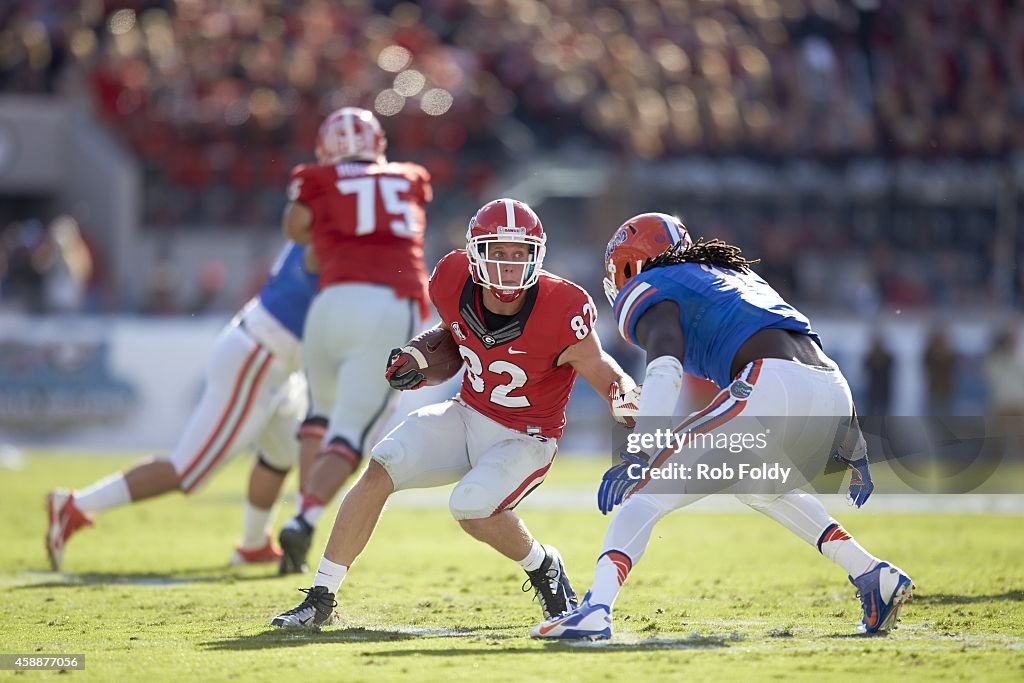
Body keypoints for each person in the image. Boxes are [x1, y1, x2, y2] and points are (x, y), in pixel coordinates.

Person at [532, 212, 914, 640]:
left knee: (643, 493)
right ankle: (871, 575)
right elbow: (807, 352)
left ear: (630, 264)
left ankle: (596, 609)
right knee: (760, 486)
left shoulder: (656, 284)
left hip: (772, 383)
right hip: (831, 390)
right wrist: (853, 441)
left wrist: (642, 450)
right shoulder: (731, 274)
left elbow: (665, 364)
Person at [269, 198, 638, 628]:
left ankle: (543, 566)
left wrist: (624, 393)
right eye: (498, 252)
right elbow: (454, 337)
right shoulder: (451, 278)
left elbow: (598, 365)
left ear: (537, 255)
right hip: (466, 413)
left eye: (519, 254)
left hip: (526, 437)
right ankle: (320, 598)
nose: (509, 265)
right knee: (382, 465)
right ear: (475, 254)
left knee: (471, 506)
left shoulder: (563, 306)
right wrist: (420, 358)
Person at [45, 242, 318, 571]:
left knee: (283, 453)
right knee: (188, 471)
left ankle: (253, 544)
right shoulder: (325, 236)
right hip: (261, 355)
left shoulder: (320, 229)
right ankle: (75, 506)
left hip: (277, 359)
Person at [275, 107, 433, 575]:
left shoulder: (317, 178)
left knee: (319, 414)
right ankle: (304, 517)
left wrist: (325, 235)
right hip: (389, 302)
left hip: (329, 305)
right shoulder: (409, 177)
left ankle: (302, 511)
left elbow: (294, 227)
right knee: (352, 432)